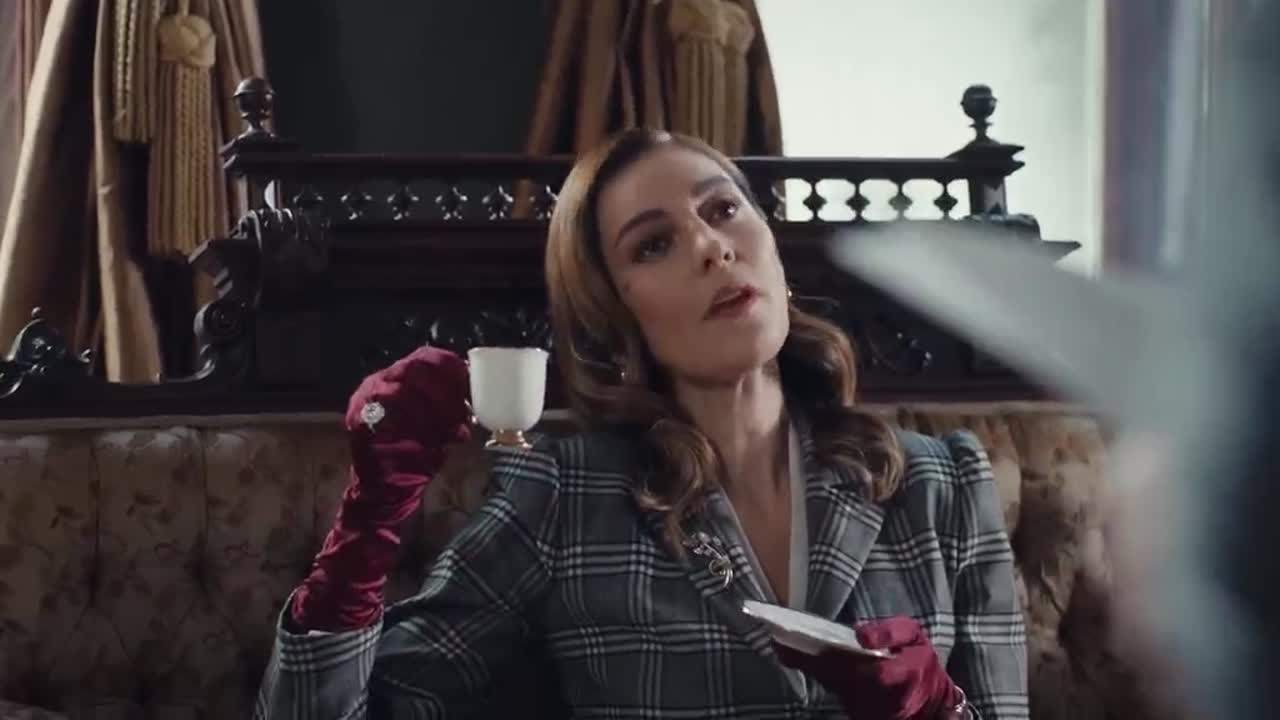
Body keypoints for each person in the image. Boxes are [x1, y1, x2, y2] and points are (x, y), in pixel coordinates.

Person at [254, 128, 1028, 719]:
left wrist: (940, 711)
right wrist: (368, 523)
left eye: (723, 209)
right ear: (614, 313)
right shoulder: (562, 496)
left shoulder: (944, 483)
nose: (712, 247)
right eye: (655, 244)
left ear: (773, 249)